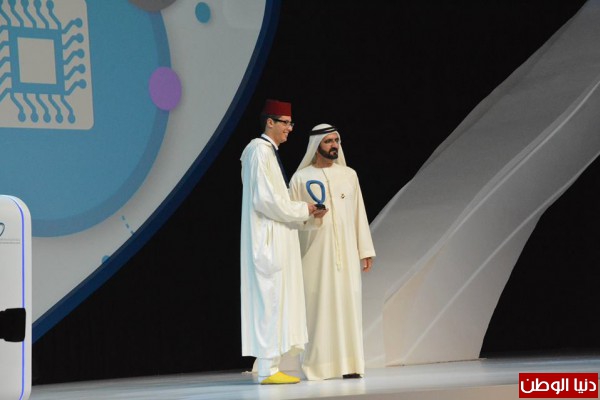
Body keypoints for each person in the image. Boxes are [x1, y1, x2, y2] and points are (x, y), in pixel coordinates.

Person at [240, 99, 324, 385]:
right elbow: (265, 200)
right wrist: (302, 209)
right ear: (270, 122)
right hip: (267, 240)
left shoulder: (267, 152)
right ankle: (267, 369)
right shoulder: (258, 150)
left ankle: (272, 366)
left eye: (291, 123)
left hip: (276, 236)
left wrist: (304, 211)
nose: (290, 128)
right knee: (270, 299)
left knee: (276, 299)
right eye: (285, 123)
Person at [289, 123, 376, 381]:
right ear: (316, 146)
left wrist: (365, 250)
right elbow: (291, 219)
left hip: (346, 254)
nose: (334, 145)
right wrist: (310, 216)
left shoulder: (349, 175)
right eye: (328, 141)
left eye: (336, 140)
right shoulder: (300, 178)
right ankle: (318, 368)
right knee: (318, 310)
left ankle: (351, 365)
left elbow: (359, 213)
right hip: (314, 255)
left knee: (349, 306)